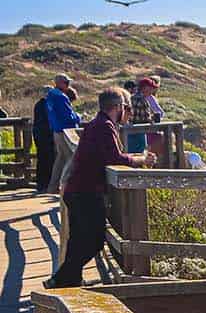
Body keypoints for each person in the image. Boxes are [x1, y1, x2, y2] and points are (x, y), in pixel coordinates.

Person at [48, 87, 155, 288]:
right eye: (127, 107)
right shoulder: (104, 126)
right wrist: (141, 159)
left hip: (77, 189)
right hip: (86, 191)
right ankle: (61, 278)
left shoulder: (97, 124)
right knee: (95, 239)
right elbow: (113, 157)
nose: (129, 112)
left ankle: (68, 280)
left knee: (78, 239)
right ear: (117, 107)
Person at [45, 74, 82, 193]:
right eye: (66, 82)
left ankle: (53, 186)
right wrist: (78, 117)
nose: (68, 85)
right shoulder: (61, 97)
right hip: (65, 131)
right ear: (60, 83)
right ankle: (66, 185)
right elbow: (68, 117)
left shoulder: (51, 96)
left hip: (56, 130)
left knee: (61, 158)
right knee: (71, 157)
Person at [134, 76, 166, 155]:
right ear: (145, 88)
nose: (152, 91)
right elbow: (145, 118)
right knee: (160, 138)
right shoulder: (143, 100)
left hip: (134, 131)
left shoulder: (132, 97)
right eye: (151, 88)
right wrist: (153, 119)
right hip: (140, 131)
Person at [31, 88, 54, 192]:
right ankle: (46, 183)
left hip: (38, 133)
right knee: (48, 158)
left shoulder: (38, 104)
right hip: (46, 134)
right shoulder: (47, 105)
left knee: (41, 158)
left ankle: (41, 184)